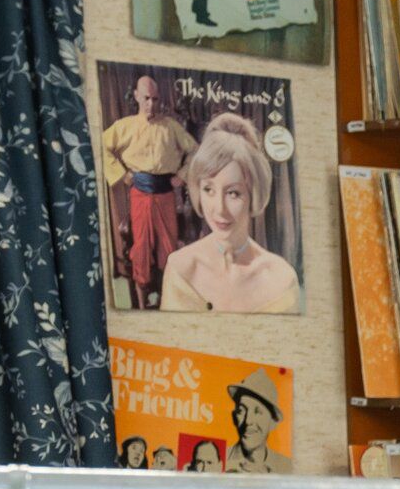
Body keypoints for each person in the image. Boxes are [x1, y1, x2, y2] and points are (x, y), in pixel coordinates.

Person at [160, 113, 300, 315]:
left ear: (254, 193)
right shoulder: (181, 268)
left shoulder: (282, 278)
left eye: (233, 193)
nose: (219, 209)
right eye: (209, 189)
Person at [97, 74, 196, 310]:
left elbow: (196, 151)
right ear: (136, 97)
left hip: (166, 194)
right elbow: (101, 145)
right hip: (139, 193)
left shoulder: (171, 127)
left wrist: (181, 176)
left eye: (156, 99)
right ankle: (141, 306)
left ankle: (165, 301)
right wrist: (123, 175)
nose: (151, 104)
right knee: (140, 247)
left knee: (169, 248)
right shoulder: (125, 126)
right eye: (147, 98)